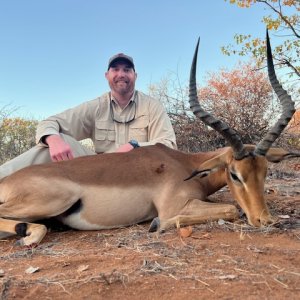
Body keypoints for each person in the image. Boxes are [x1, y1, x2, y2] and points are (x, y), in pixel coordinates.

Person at [0, 53, 177, 179]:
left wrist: (135, 145)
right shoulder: (96, 106)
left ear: (135, 76)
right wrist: (54, 140)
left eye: (127, 69)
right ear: (107, 75)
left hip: (139, 174)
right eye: (115, 69)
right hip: (99, 171)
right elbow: (50, 122)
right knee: (56, 140)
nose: (121, 74)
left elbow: (169, 145)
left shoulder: (152, 105)